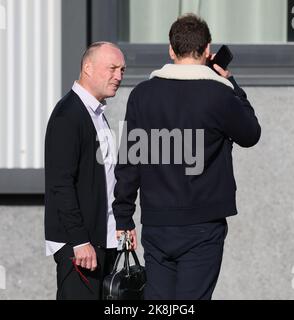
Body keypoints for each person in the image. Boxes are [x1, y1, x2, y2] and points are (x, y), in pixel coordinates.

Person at [113, 14, 261, 300]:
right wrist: (232, 84)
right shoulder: (219, 94)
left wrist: (124, 218)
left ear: (171, 50)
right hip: (203, 224)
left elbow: (129, 161)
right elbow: (251, 134)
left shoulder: (142, 95)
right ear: (208, 50)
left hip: (157, 223)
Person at [44, 42, 126, 300]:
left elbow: (105, 179)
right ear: (87, 68)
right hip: (80, 246)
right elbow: (61, 184)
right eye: (112, 68)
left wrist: (121, 225)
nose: (119, 76)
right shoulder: (68, 115)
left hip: (101, 241)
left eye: (122, 70)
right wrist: (80, 241)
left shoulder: (96, 113)